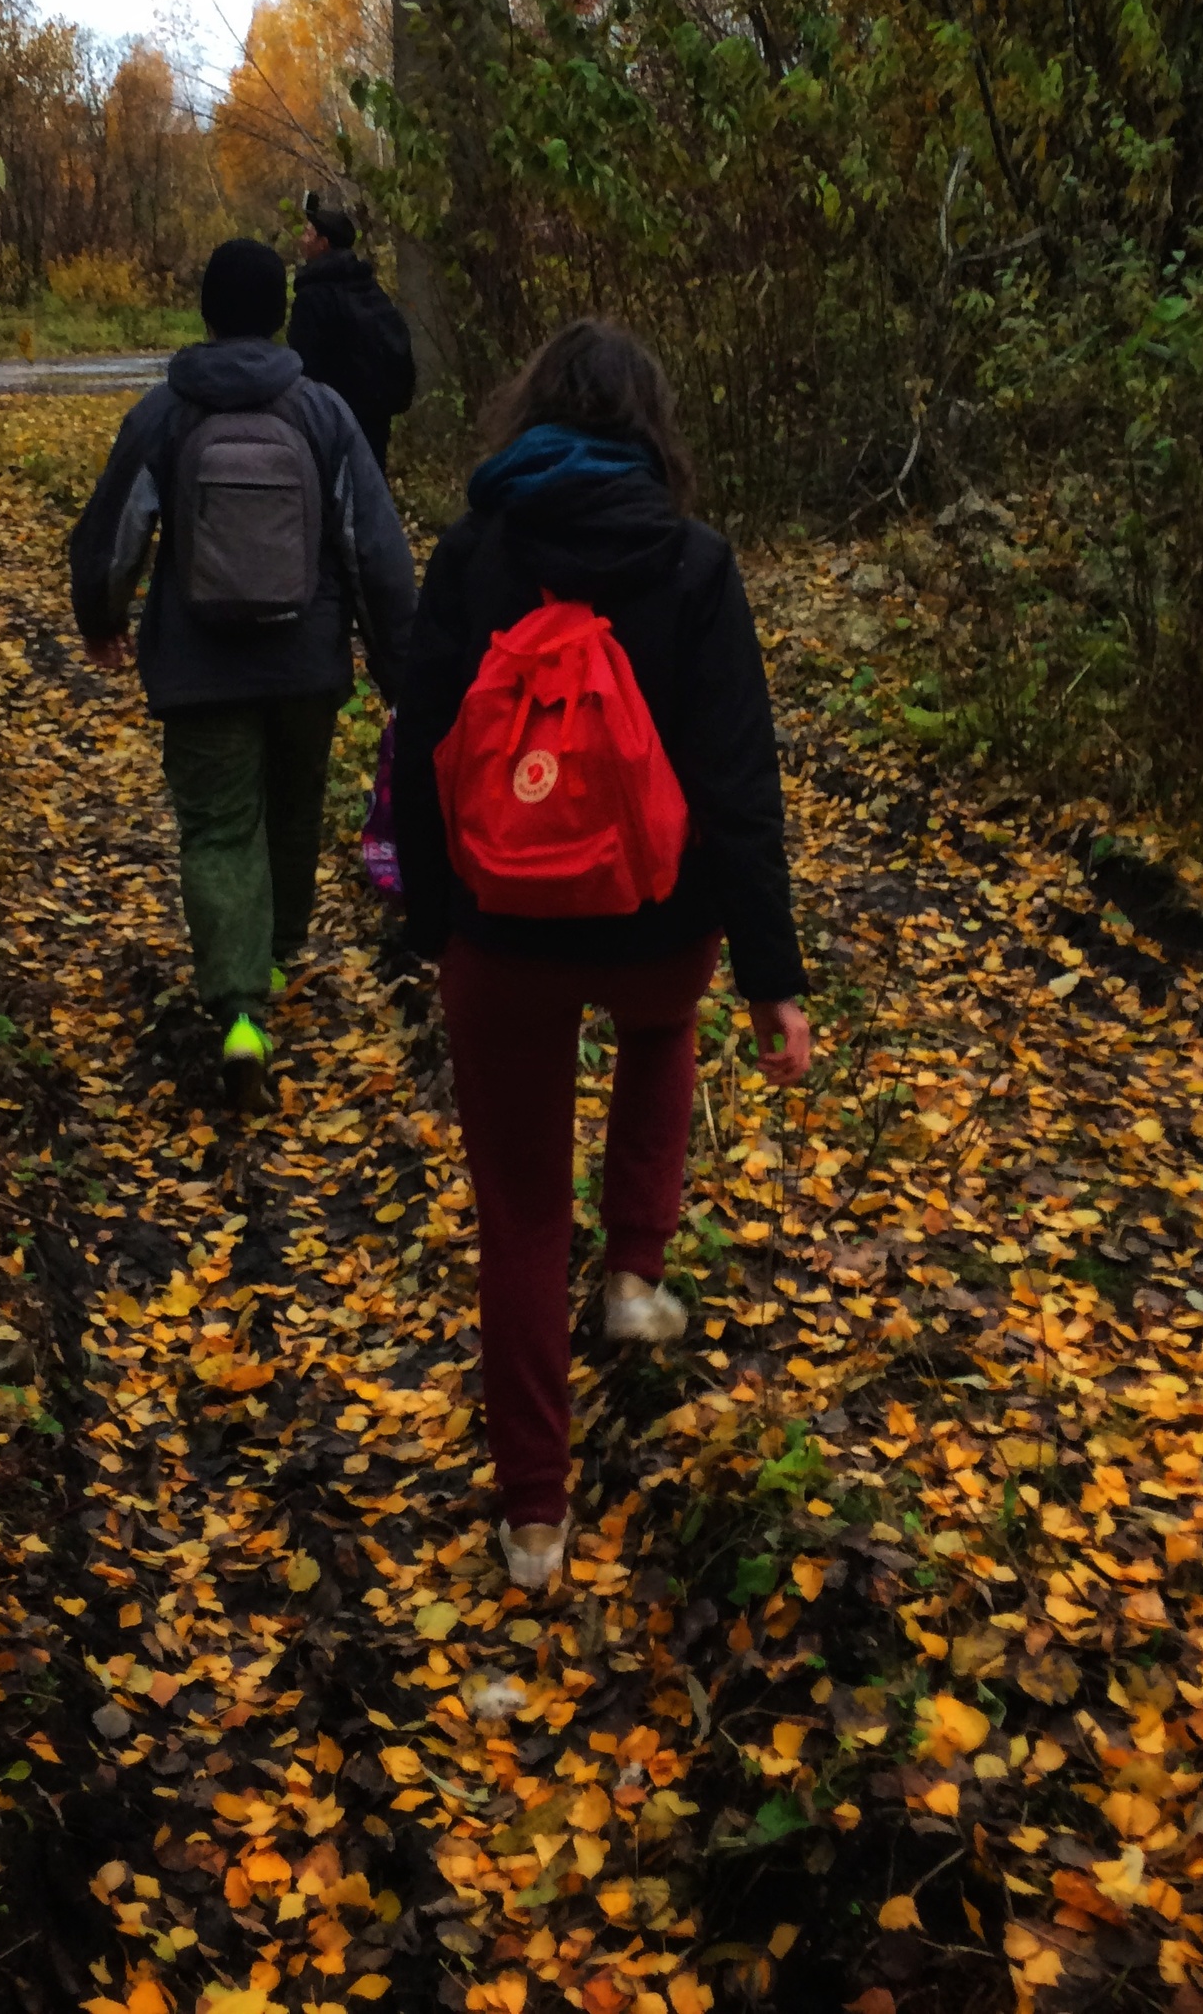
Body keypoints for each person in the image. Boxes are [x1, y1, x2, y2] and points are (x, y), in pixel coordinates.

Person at [394, 319, 812, 1590]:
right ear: (651, 426)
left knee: (516, 1219)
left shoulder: (473, 551)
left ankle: (533, 1520)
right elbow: (737, 785)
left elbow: (418, 748)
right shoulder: (691, 561)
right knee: (658, 1024)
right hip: (654, 920)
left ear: (526, 414)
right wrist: (770, 977)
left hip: (503, 931)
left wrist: (432, 924)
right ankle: (634, 1266)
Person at [69, 236, 417, 1110]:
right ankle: (271, 952)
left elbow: (116, 530)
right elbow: (372, 547)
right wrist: (395, 658)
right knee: (291, 816)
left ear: (206, 312)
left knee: (221, 830)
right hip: (308, 663)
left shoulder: (166, 411)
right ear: (278, 315)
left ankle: (239, 1010)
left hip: (199, 667)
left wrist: (102, 616)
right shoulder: (324, 413)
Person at [287, 199, 418, 474]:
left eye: (309, 233)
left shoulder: (314, 296)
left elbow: (303, 366)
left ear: (323, 244)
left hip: (331, 424)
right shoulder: (367, 287)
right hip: (374, 421)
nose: (303, 239)